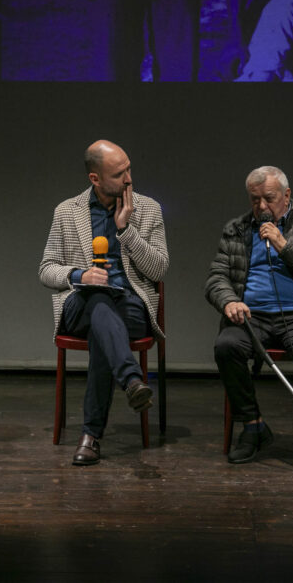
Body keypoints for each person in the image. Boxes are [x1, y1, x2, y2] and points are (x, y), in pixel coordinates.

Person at [39, 140, 169, 466]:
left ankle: (91, 436)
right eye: (119, 173)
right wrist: (81, 275)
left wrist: (126, 231)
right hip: (79, 306)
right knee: (97, 300)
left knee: (104, 324)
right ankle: (131, 379)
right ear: (95, 179)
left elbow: (158, 269)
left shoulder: (148, 208)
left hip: (131, 306)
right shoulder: (67, 211)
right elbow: (47, 269)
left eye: (129, 169)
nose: (128, 179)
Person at [205, 166, 293, 470]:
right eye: (255, 200)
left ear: (286, 195)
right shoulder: (236, 229)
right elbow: (217, 277)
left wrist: (284, 245)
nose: (262, 207)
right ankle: (253, 426)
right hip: (252, 316)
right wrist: (228, 301)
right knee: (226, 346)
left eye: (269, 198)